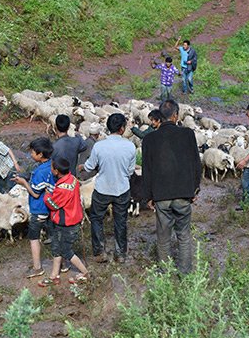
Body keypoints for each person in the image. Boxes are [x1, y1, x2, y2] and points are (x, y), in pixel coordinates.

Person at [142, 99, 201, 273]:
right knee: (183, 235)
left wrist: (148, 196)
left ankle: (165, 274)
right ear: (176, 115)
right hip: (183, 193)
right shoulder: (188, 134)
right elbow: (196, 164)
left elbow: (147, 170)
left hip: (161, 195)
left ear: (160, 116)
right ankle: (185, 273)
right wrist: (195, 189)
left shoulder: (149, 139)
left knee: (163, 236)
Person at [79, 113, 136, 263]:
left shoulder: (99, 146)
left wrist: (82, 167)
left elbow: (90, 166)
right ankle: (120, 254)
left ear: (108, 128)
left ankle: (99, 252)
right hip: (122, 189)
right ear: (122, 129)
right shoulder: (130, 146)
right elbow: (130, 171)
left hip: (102, 189)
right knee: (121, 220)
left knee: (97, 219)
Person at [39, 157, 90, 287]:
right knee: (56, 247)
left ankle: (85, 272)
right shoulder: (72, 179)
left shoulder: (62, 187)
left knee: (66, 250)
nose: (50, 169)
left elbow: (53, 204)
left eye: (51, 167)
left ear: (56, 171)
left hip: (67, 222)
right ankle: (54, 276)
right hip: (69, 219)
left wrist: (46, 196)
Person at [12, 138, 56, 279]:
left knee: (34, 237)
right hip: (51, 208)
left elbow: (36, 194)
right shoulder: (53, 166)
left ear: (40, 154)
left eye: (32, 152)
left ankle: (37, 268)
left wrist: (24, 182)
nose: (31, 154)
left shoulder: (39, 172)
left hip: (39, 209)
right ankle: (63, 264)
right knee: (55, 236)